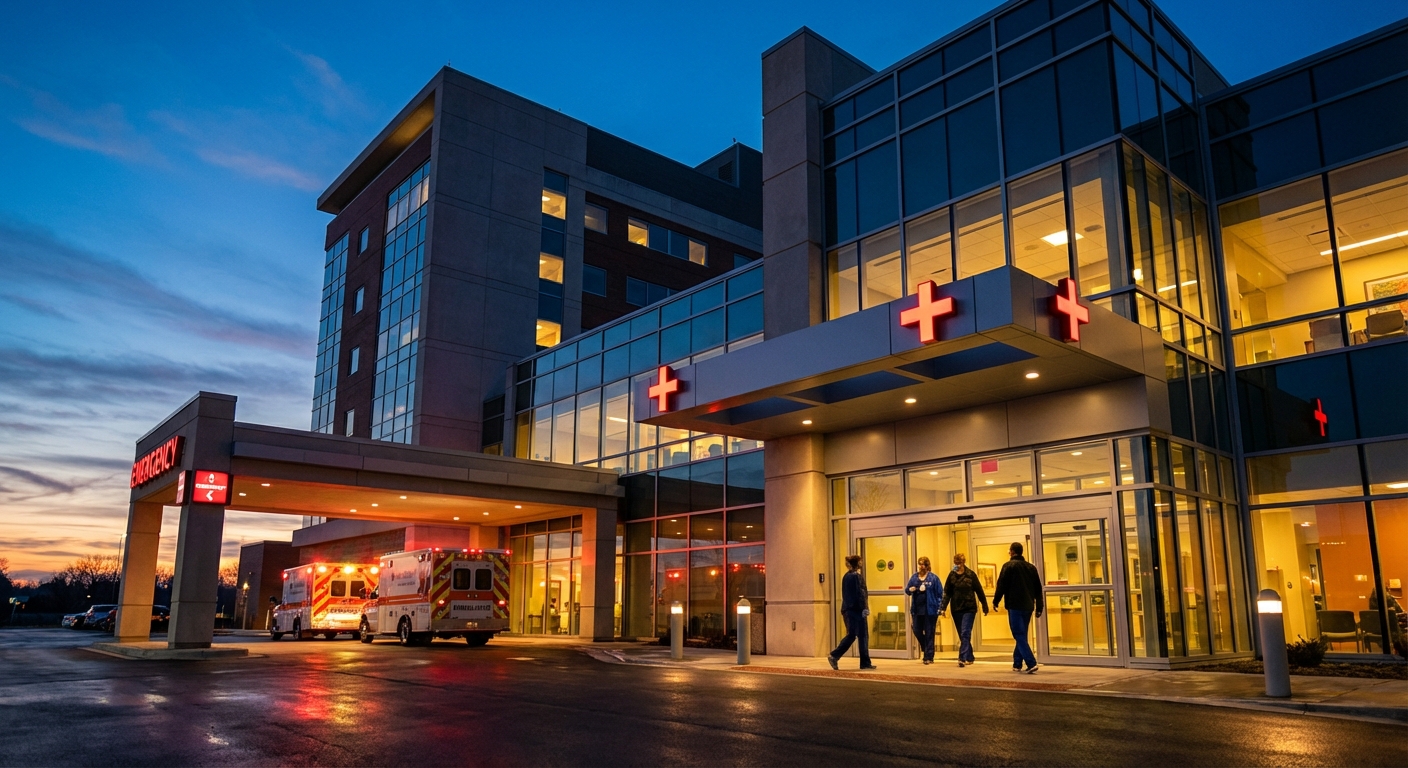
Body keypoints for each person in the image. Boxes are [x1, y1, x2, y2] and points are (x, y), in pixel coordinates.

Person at [992, 541, 1042, 674]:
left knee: (1018, 634)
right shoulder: (1031, 568)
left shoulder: (1008, 566)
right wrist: (1039, 606)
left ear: (1012, 552)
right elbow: (1038, 589)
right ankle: (1017, 663)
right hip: (1028, 606)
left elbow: (1001, 585)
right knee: (1022, 634)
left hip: (1014, 605)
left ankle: (1031, 662)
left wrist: (996, 601)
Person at [828, 555, 877, 670]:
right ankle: (835, 655)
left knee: (855, 634)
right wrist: (864, 608)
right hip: (856, 611)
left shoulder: (846, 576)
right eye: (860, 561)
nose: (862, 563)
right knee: (860, 635)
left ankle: (863, 662)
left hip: (848, 610)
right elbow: (861, 594)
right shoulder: (856, 577)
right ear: (857, 563)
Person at [940, 552, 988, 667]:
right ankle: (970, 657)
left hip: (969, 608)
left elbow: (979, 591)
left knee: (965, 632)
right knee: (963, 635)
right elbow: (947, 592)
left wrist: (984, 605)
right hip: (956, 608)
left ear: (963, 562)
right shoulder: (951, 575)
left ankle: (961, 658)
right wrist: (943, 607)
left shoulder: (970, 575)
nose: (958, 565)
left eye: (959, 563)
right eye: (956, 563)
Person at [905, 556, 943, 664]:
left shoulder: (933, 578)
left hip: (930, 610)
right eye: (919, 564)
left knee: (930, 632)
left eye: (923, 564)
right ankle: (925, 647)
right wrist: (910, 589)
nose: (921, 567)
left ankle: (928, 656)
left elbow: (940, 593)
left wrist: (939, 608)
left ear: (927, 566)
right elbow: (907, 590)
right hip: (917, 610)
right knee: (916, 629)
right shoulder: (914, 578)